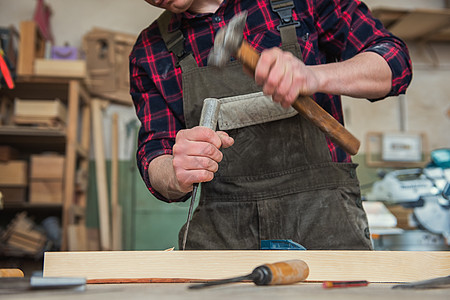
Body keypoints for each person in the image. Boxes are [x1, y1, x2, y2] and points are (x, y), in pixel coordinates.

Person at [130, 0, 412, 250]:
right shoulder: (150, 51)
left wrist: (314, 76)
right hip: (224, 232)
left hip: (325, 217)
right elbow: (156, 152)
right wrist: (176, 172)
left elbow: (394, 63)